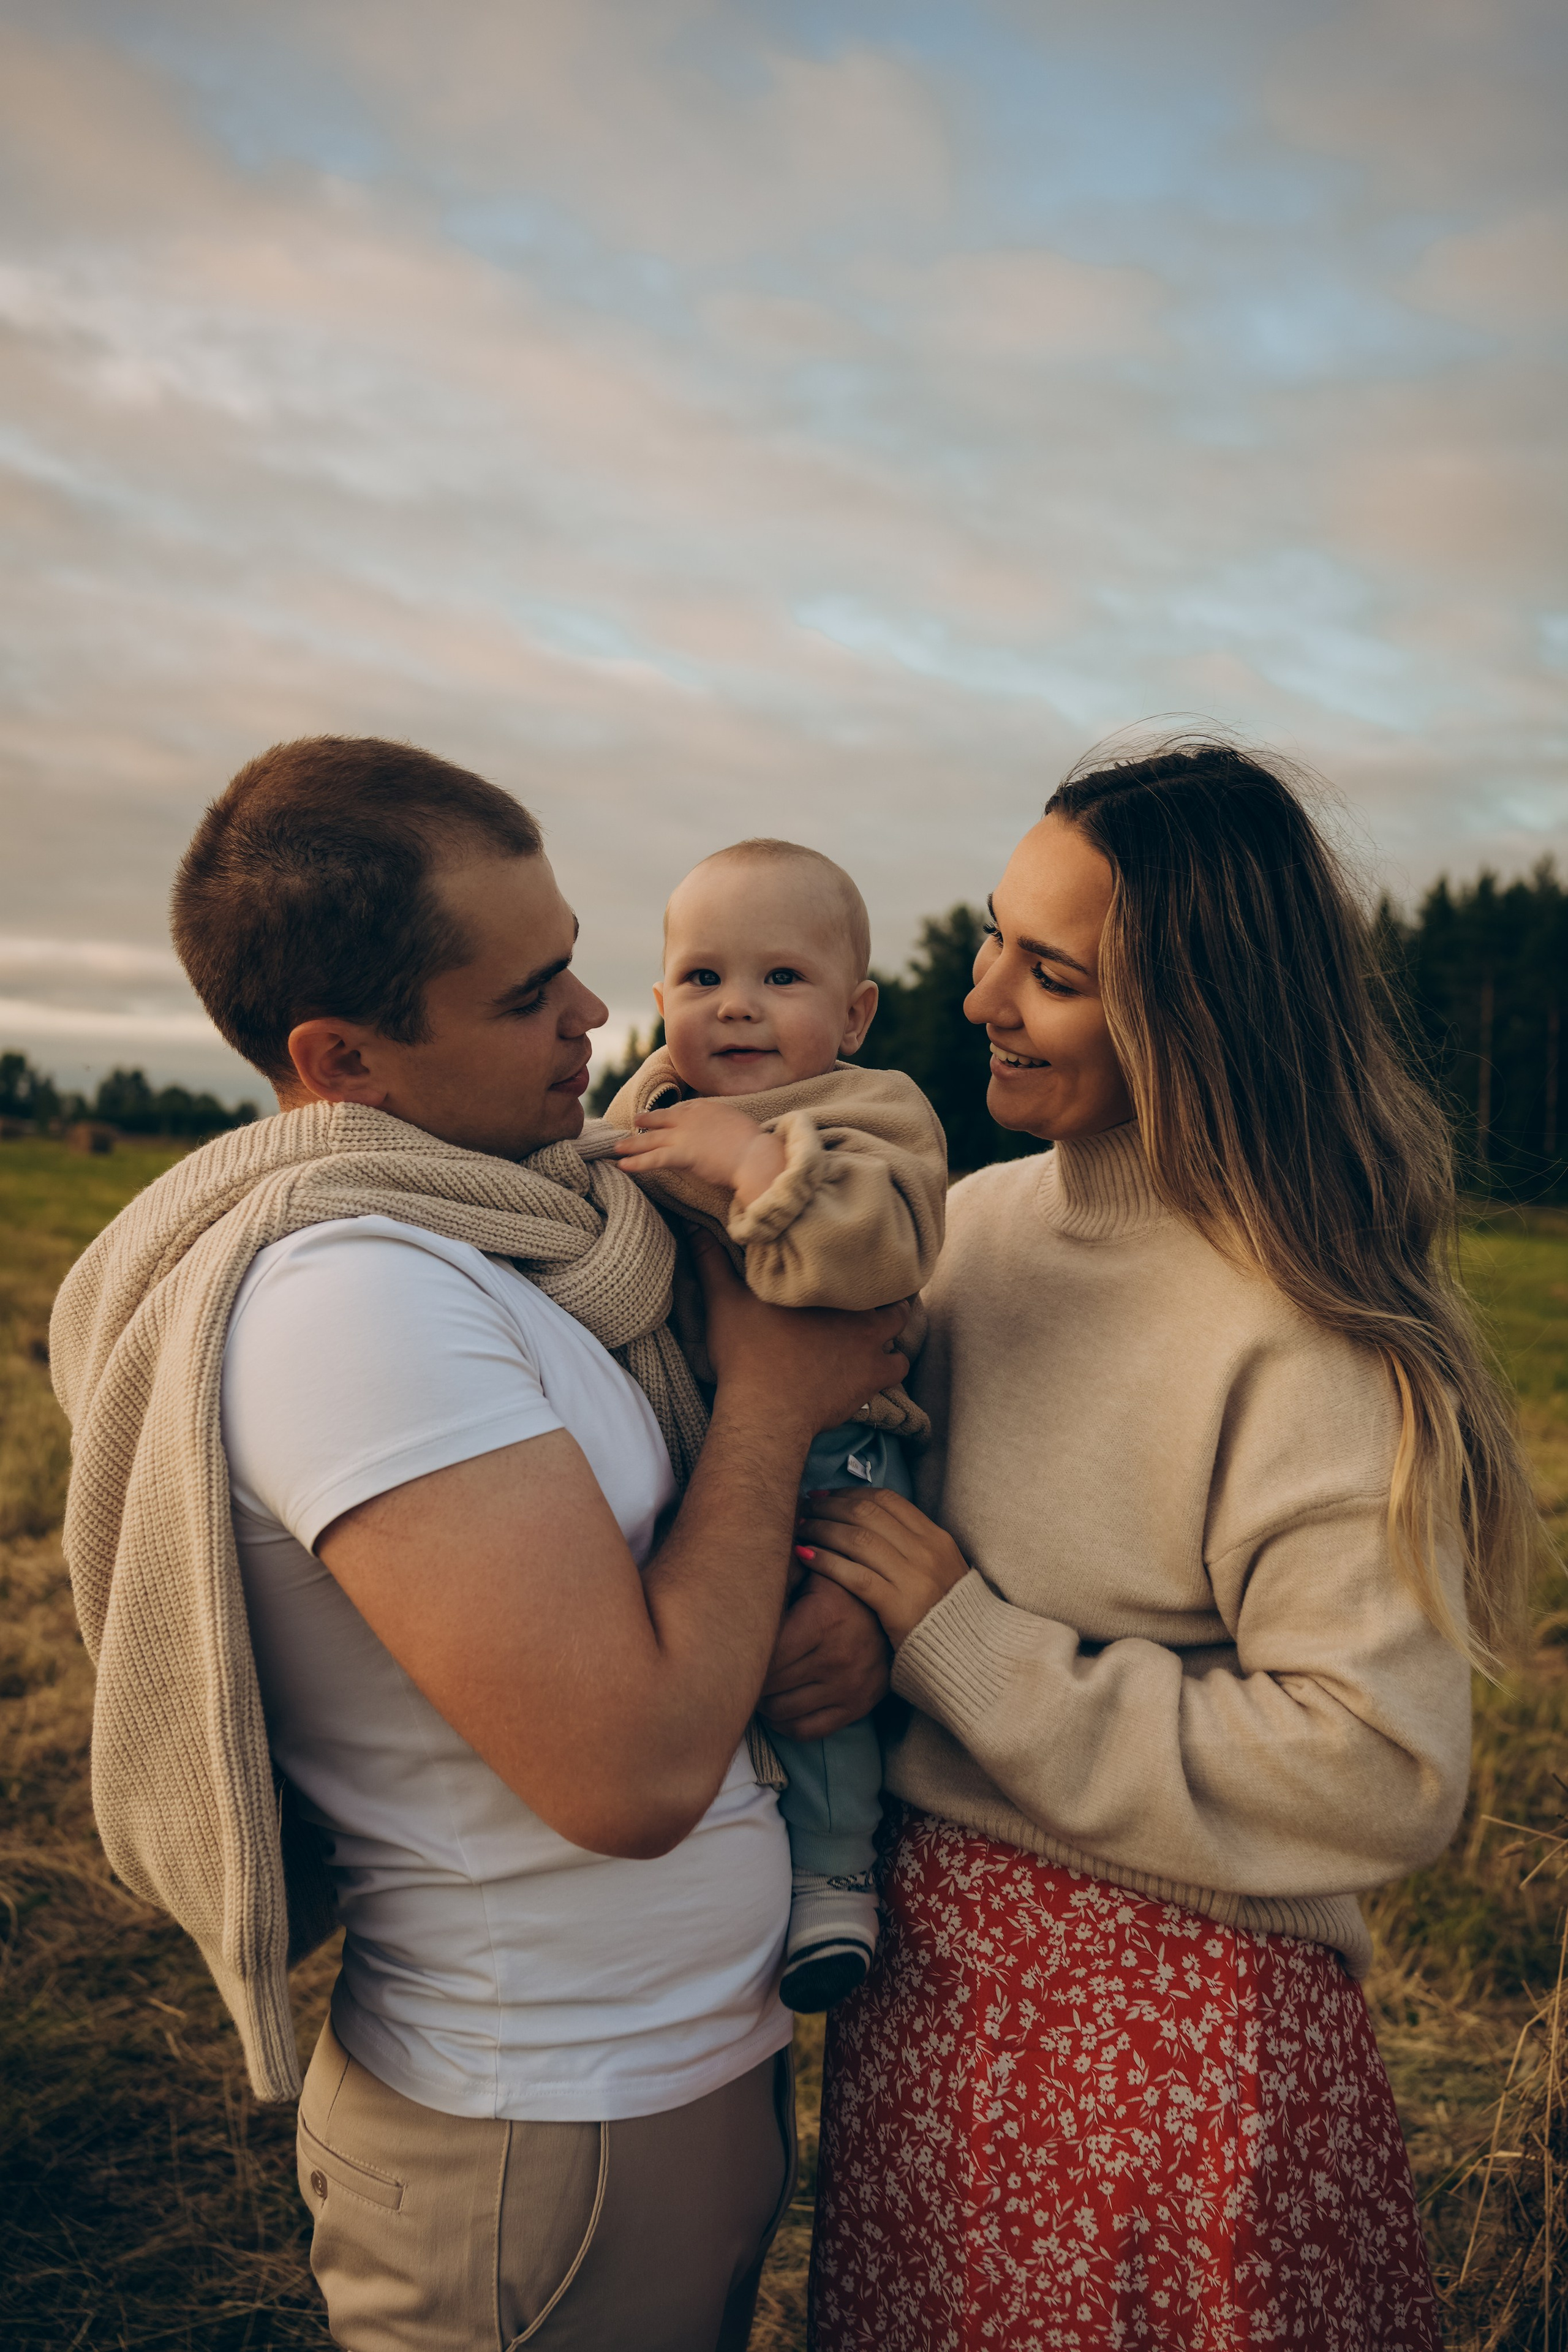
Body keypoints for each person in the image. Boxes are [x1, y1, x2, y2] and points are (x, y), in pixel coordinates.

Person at [50, 737, 900, 2352]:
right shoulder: (353, 1302)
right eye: (525, 997)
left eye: (571, 960)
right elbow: (629, 1772)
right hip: (541, 2131)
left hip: (659, 2087)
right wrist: (775, 1410)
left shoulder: (524, 1234)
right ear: (344, 1058)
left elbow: (665, 1590)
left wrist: (835, 1609)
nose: (593, 1013)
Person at [795, 741, 1539, 2351]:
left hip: (1178, 2056)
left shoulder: (1300, 1327)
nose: (982, 997)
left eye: (1051, 975)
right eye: (993, 937)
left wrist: (967, 1648)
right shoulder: (963, 1235)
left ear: (1194, 1015)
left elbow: (1380, 1772)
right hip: (929, 2013)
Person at [604, 839, 948, 2009]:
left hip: (840, 1445)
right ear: (662, 1001)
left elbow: (884, 1249)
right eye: (703, 978)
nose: (737, 1005)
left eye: (781, 979)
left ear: (854, 1015)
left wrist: (758, 1166)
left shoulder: (870, 1110)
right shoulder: (647, 1107)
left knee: (811, 1658)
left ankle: (835, 1872)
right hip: (695, 1432)